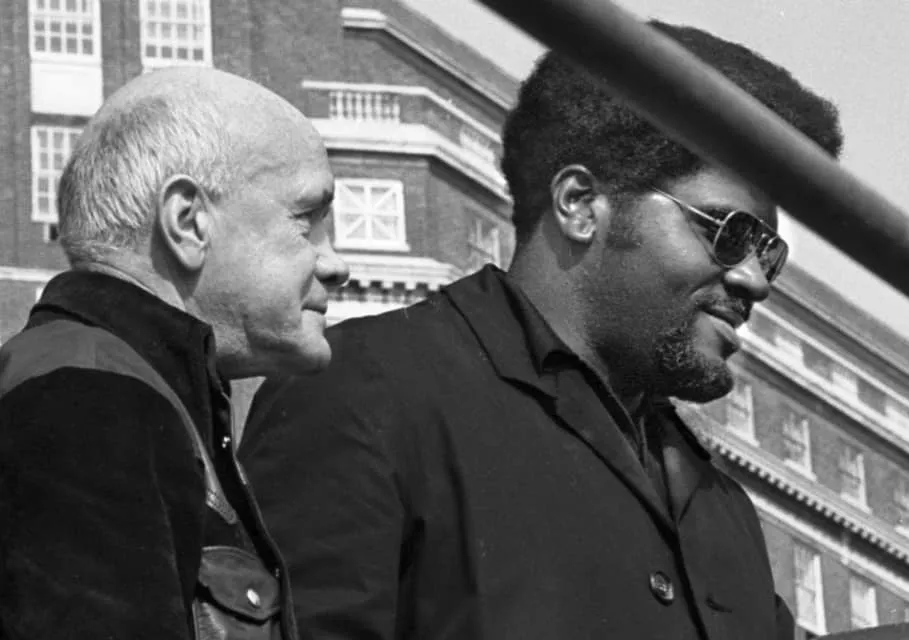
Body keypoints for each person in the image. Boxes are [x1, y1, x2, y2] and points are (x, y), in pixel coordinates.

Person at [240, 21, 843, 640]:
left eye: (768, 252)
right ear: (579, 204)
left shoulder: (721, 507)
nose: (754, 279)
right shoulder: (368, 391)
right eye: (728, 231)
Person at [0, 67, 348, 639]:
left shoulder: (121, 386)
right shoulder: (90, 397)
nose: (336, 264)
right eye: (306, 220)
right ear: (188, 222)